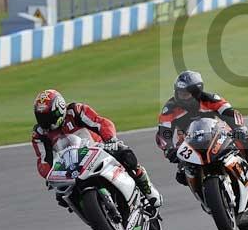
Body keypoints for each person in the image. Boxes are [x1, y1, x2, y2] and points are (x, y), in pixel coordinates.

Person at [31, 89, 162, 208]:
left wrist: (111, 139)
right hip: (70, 167)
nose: (45, 121)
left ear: (59, 109)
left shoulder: (76, 111)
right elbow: (43, 160)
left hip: (96, 149)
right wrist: (50, 175)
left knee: (125, 154)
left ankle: (147, 188)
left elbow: (101, 123)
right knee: (62, 197)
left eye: (48, 116)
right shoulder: (39, 134)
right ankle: (95, 218)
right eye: (41, 117)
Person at [155, 71, 248, 188]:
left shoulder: (211, 99)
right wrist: (168, 149)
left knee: (245, 140)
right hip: (188, 142)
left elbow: (232, 114)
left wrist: (239, 128)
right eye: (179, 93)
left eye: (186, 94)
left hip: (217, 134)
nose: (181, 97)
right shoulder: (170, 108)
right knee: (182, 176)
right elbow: (163, 133)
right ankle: (204, 194)